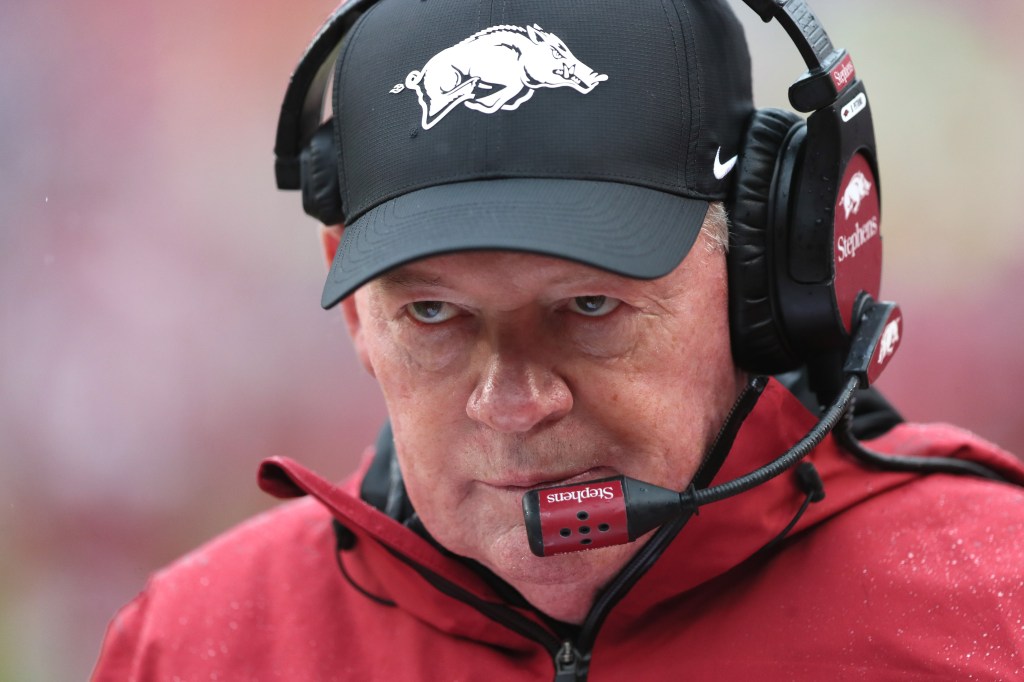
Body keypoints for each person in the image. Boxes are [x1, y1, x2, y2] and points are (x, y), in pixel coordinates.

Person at [92, 0, 1024, 679]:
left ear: (759, 276)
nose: (513, 404)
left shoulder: (993, 605)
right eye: (431, 314)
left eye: (587, 307)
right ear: (353, 306)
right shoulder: (193, 644)